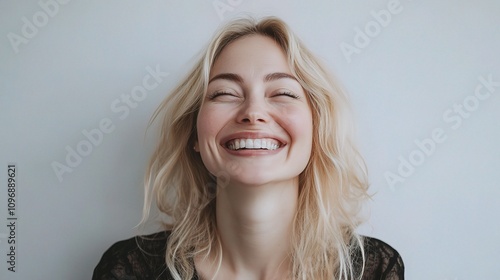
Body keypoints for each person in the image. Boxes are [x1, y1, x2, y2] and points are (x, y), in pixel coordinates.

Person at [93, 16, 404, 280]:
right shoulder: (130, 269)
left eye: (282, 92)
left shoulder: (370, 270)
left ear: (317, 128)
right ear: (195, 135)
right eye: (225, 93)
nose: (253, 112)